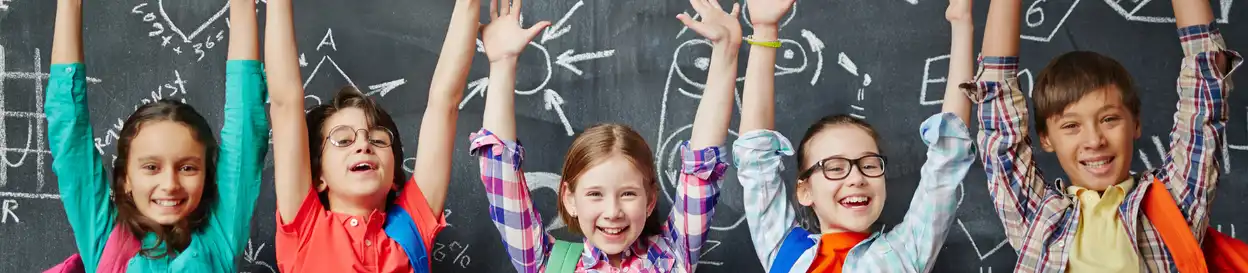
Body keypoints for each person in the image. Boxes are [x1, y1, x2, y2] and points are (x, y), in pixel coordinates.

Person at [970, 0, 1241, 271]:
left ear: (1135, 123)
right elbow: (999, 116)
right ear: (1046, 138)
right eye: (1071, 126)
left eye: (1109, 119)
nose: (1094, 140)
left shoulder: (1174, 203)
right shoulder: (1038, 218)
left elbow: (1205, 86)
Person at [467, 0, 733, 271]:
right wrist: (502, 64)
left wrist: (725, 51)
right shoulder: (550, 265)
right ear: (570, 199)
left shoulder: (671, 256)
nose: (613, 212)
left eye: (628, 193)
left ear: (650, 199)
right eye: (595, 194)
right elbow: (501, 180)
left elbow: (702, 167)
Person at [731, 0, 977, 272]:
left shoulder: (904, 253)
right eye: (835, 168)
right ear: (804, 190)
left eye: (869, 165)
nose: (857, 178)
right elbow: (756, 158)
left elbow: (949, 154)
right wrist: (765, 29)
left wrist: (962, 21)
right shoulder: (786, 253)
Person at [44, 0, 269, 271]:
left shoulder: (219, 239)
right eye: (151, 167)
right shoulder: (106, 240)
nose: (170, 183)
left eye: (187, 167)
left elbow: (247, 127)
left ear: (207, 176)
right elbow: (69, 133)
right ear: (126, 178)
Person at [264, 0, 480, 272]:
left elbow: (445, 102)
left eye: (378, 139)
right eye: (343, 140)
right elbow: (285, 103)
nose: (364, 145)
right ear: (318, 177)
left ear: (394, 178)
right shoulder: (305, 227)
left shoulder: (412, 225)